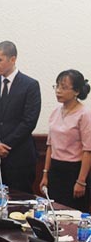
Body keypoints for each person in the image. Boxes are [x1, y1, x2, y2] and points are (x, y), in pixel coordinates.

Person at [0, 41, 41, 193]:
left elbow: (29, 121)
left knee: (20, 200)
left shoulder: (30, 85)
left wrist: (4, 145)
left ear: (13, 59)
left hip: (19, 157)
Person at [40, 70, 91, 212]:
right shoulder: (55, 112)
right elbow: (50, 146)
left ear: (76, 91)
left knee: (72, 214)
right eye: (56, 86)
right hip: (55, 170)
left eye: (63, 87)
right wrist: (45, 173)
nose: (58, 91)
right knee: (53, 212)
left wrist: (81, 181)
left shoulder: (85, 114)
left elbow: (88, 150)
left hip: (74, 171)